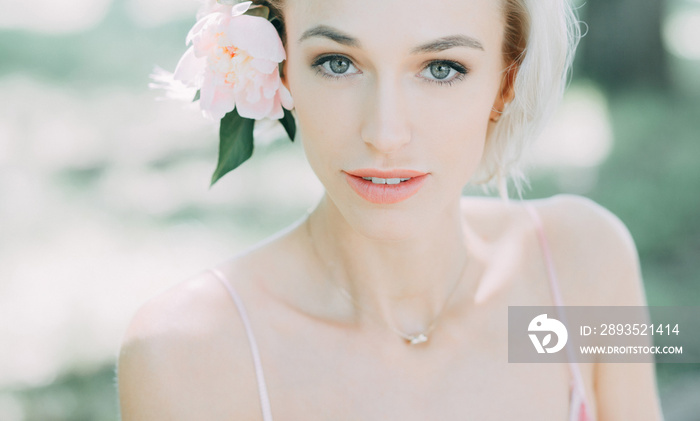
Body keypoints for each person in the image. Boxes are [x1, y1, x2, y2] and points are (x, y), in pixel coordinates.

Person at [117, 0, 665, 419]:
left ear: (505, 83)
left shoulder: (586, 267)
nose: (385, 134)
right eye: (337, 63)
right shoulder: (186, 355)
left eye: (442, 68)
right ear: (280, 70)